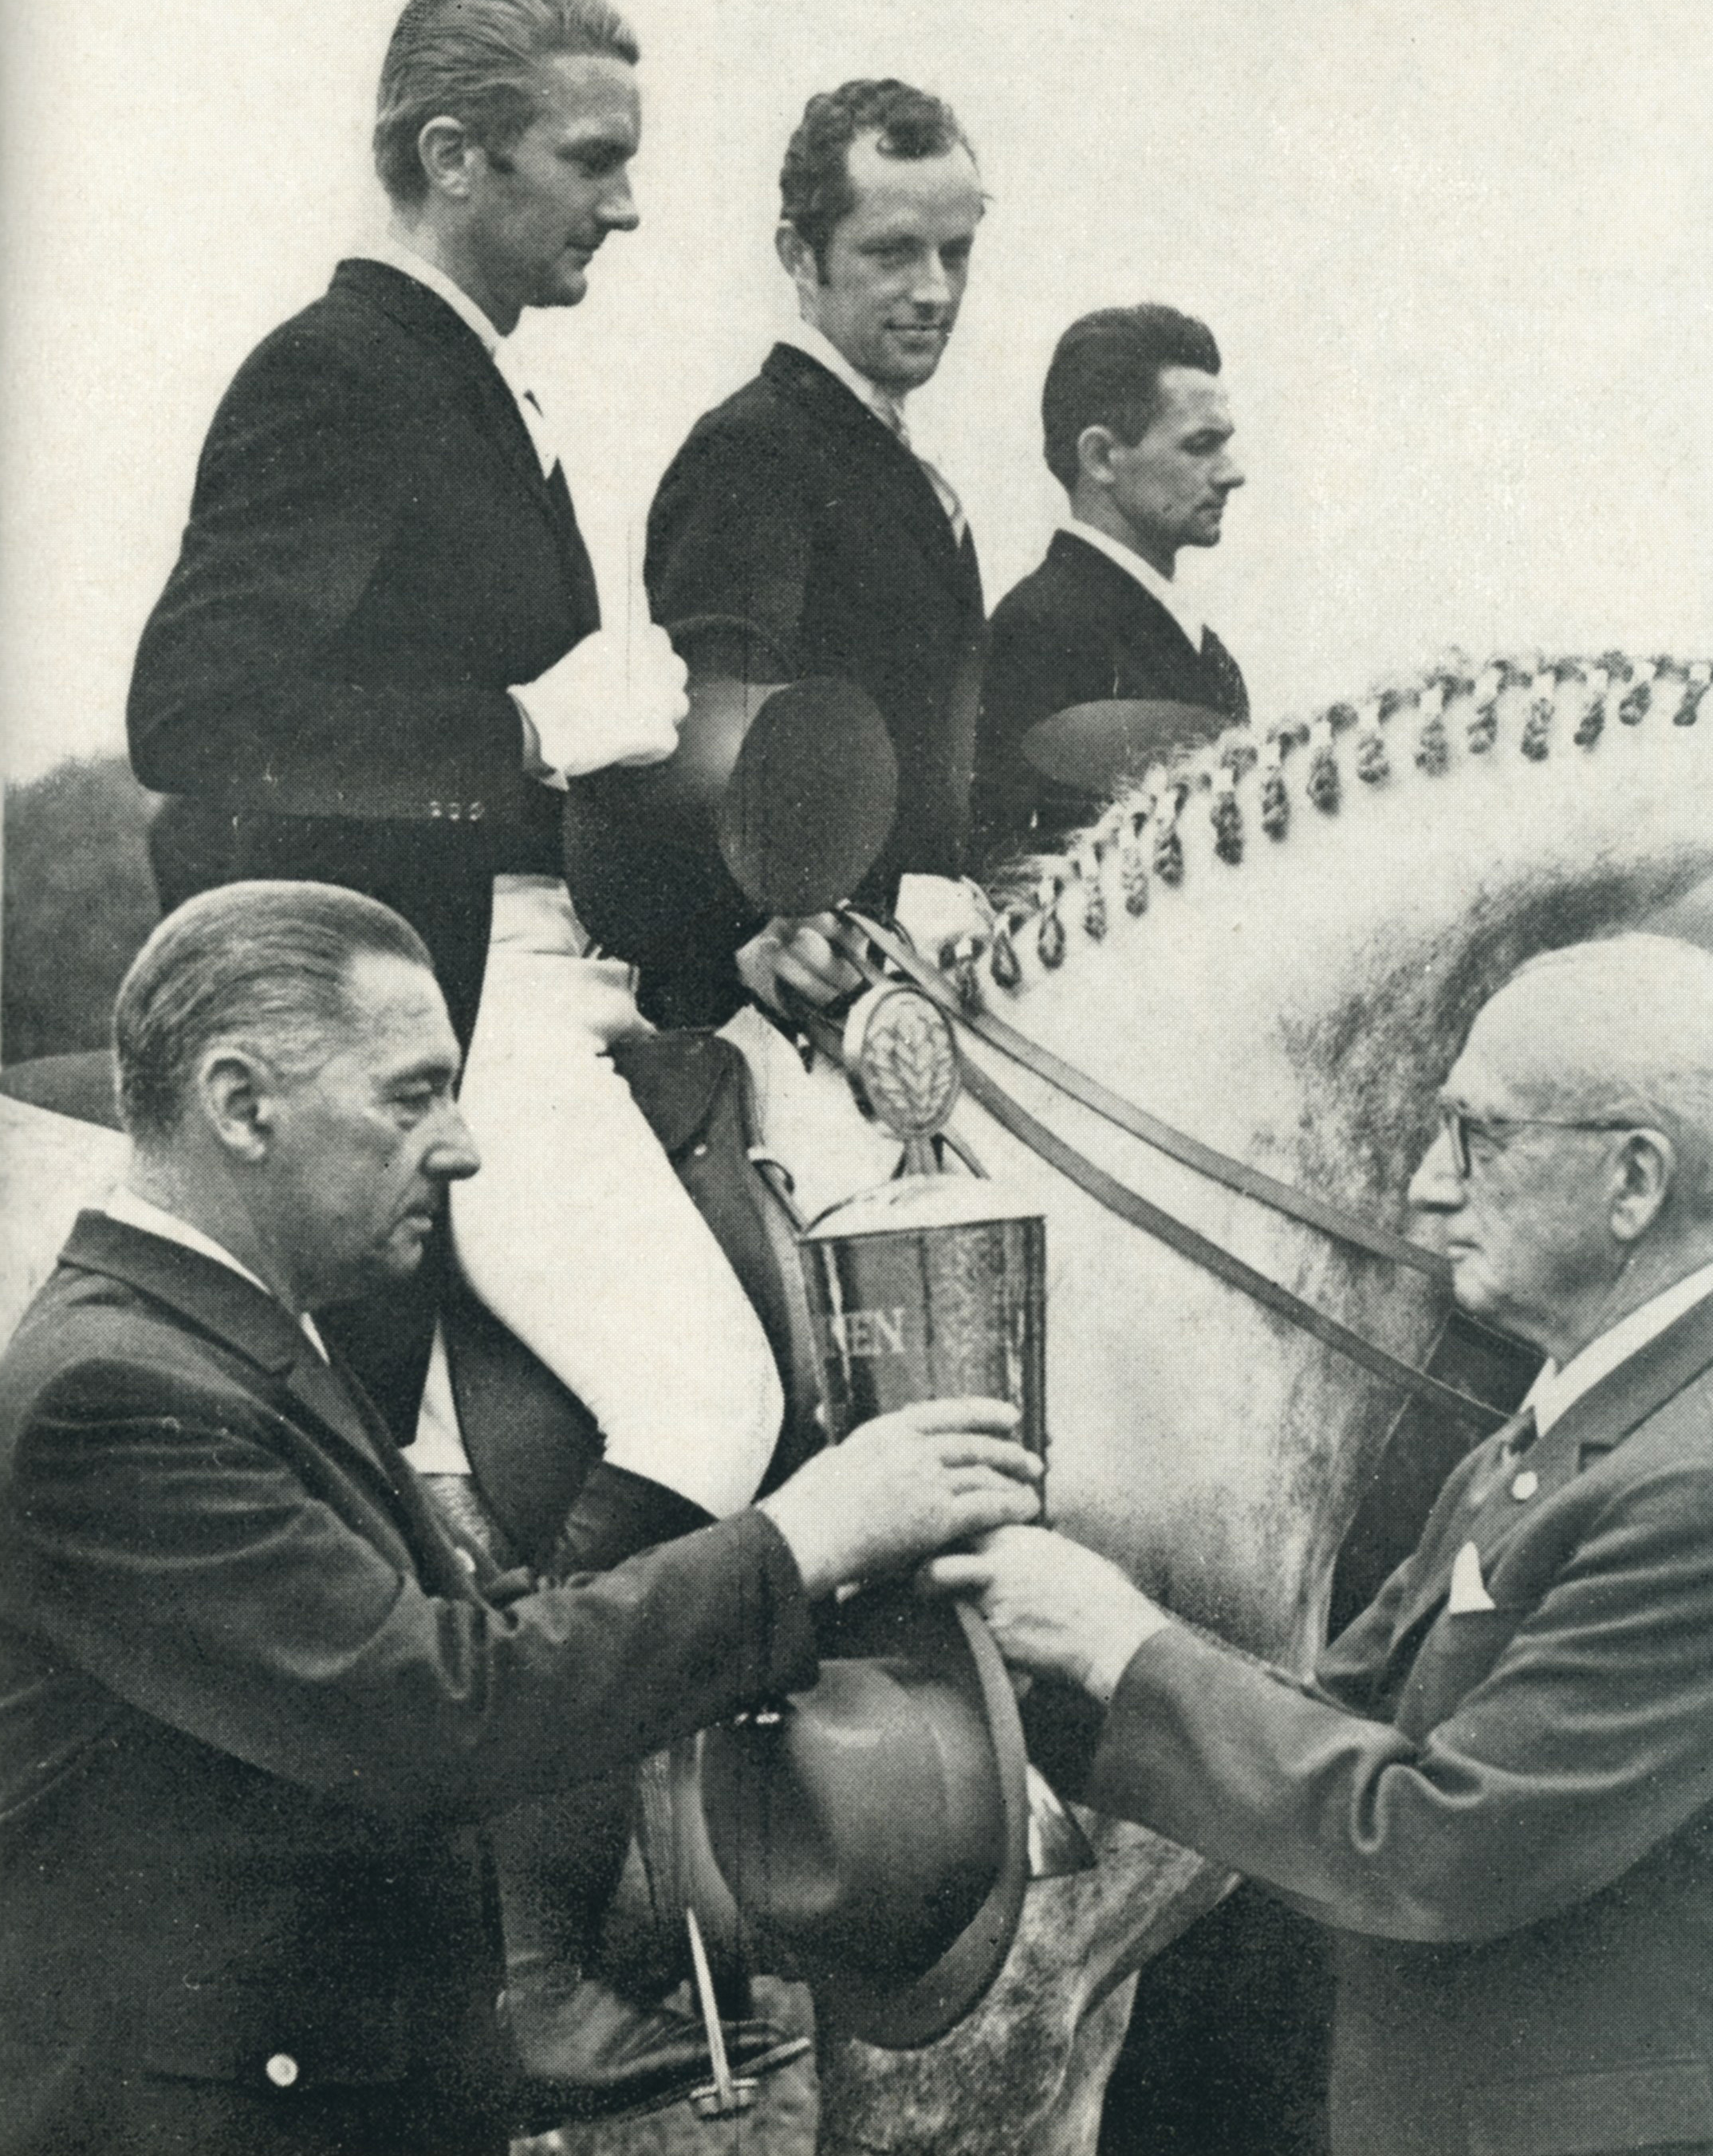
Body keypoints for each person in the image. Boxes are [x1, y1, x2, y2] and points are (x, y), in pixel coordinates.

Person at [120, 0, 791, 2096]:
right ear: (452, 157)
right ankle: (522, 1920)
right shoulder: (338, 369)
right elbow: (197, 721)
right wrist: (516, 735)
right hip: (445, 997)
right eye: (593, 164)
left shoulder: (487, 378)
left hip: (561, 962)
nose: (625, 207)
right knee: (713, 1384)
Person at [0, 883, 1041, 2156]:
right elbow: (439, 1709)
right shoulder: (114, 1395)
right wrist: (800, 1537)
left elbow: (459, 1633)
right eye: (409, 1094)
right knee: (708, 1393)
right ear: (238, 1103)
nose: (464, 1144)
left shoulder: (228, 1346)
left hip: (316, 2108)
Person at [937, 937, 1713, 2156]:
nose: (1426, 1190)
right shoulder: (1585, 1420)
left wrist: (1120, 1641)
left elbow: (1433, 1847)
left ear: (1634, 1180)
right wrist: (1024, 1693)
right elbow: (1332, 1722)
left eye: (1476, 1138)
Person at [643, 77, 990, 1028]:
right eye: (892, 253)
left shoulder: (882, 457)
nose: (935, 289)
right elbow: (709, 727)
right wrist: (752, 923)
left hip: (901, 999)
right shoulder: (754, 448)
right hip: (790, 1012)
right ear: (800, 255)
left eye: (955, 252)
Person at [973, 305, 1250, 862]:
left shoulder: (1209, 655)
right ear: (1101, 457)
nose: (1232, 472)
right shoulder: (1038, 630)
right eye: (1200, 446)